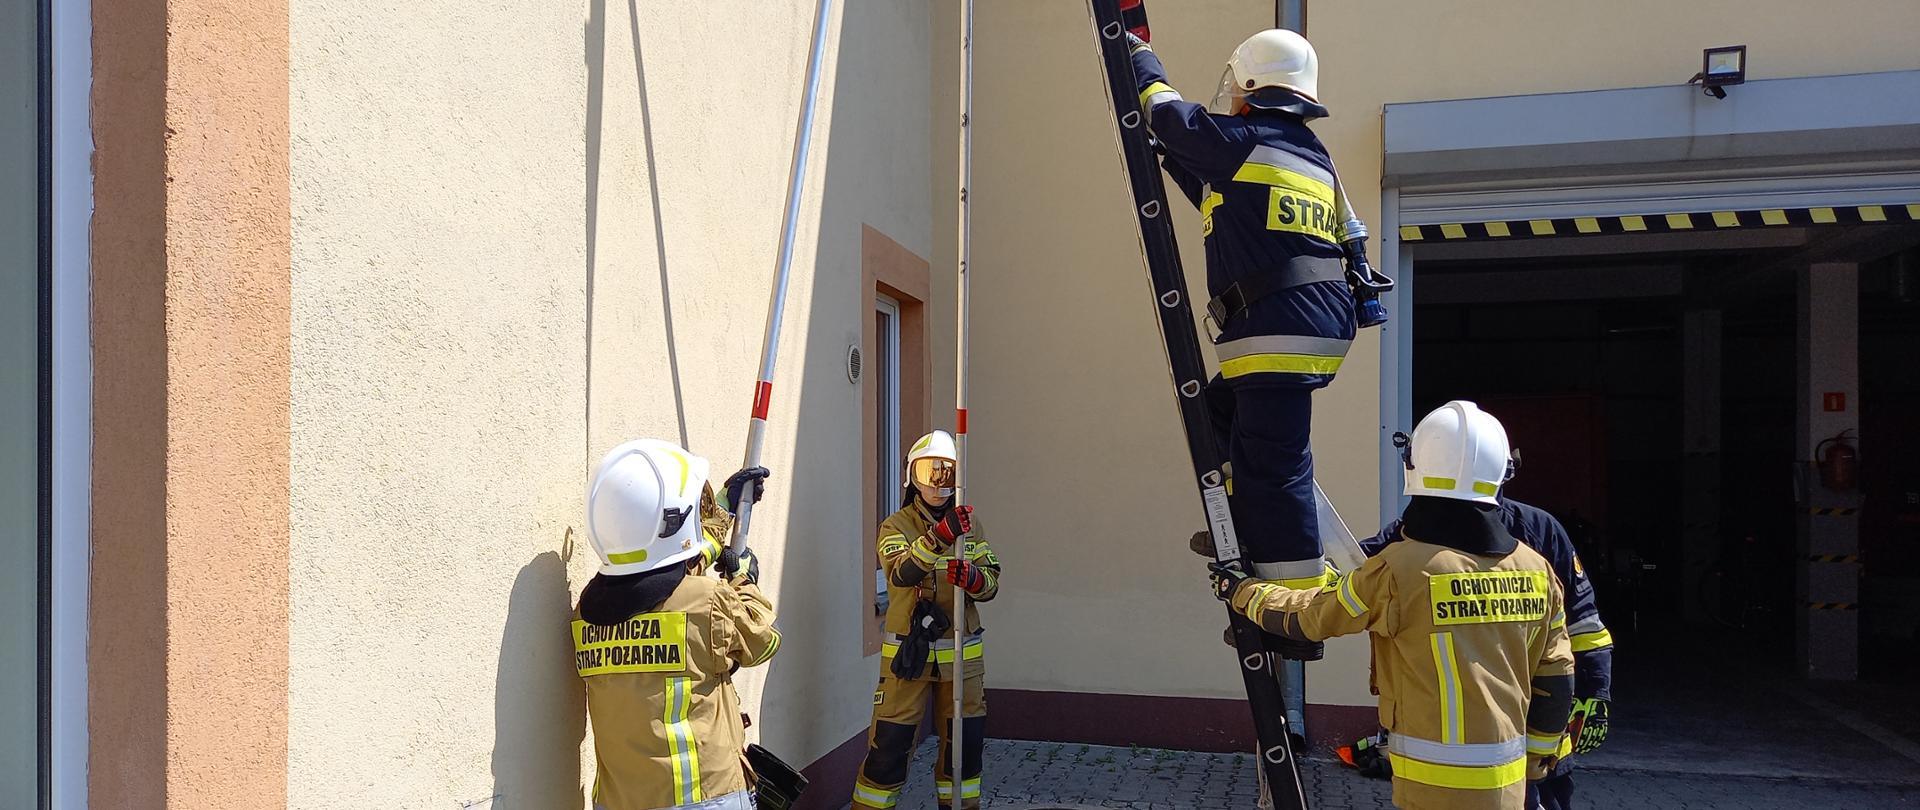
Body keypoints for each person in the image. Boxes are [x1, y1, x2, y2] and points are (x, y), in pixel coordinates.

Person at [1127, 18, 1391, 660]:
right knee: (1222, 419)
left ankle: (1296, 617)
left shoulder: (1247, 139)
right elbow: (1221, 192)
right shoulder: (1299, 151)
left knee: (1277, 470)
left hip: (1280, 328)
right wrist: (1176, 161)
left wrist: (1136, 54)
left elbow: (1167, 114)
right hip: (1307, 323)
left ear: (1251, 87)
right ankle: (1245, 506)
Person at [1208, 402, 1576, 809]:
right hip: (1510, 786)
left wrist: (1241, 591)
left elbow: (1310, 618)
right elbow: (1557, 678)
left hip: (1431, 786)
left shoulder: (1399, 570)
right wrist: (1536, 764)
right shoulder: (1536, 570)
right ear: (1501, 474)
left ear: (1414, 465)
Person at [1354, 486, 1614, 809]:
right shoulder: (1418, 527)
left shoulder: (1538, 528)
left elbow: (1584, 622)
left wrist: (1596, 693)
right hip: (1486, 742)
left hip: (1542, 729)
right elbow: (1360, 566)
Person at [574, 438, 779, 810]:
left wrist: (722, 510)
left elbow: (662, 573)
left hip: (617, 801)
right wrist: (745, 582)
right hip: (702, 800)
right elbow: (763, 640)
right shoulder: (709, 601)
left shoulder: (586, 615)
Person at [851, 430, 1001, 810]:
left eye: (946, 472)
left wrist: (974, 579)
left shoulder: (971, 525)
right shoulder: (895, 525)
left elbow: (992, 583)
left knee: (963, 759)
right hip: (909, 661)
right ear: (912, 477)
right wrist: (939, 537)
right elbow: (901, 574)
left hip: (962, 664)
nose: (938, 483)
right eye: (929, 471)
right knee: (889, 751)